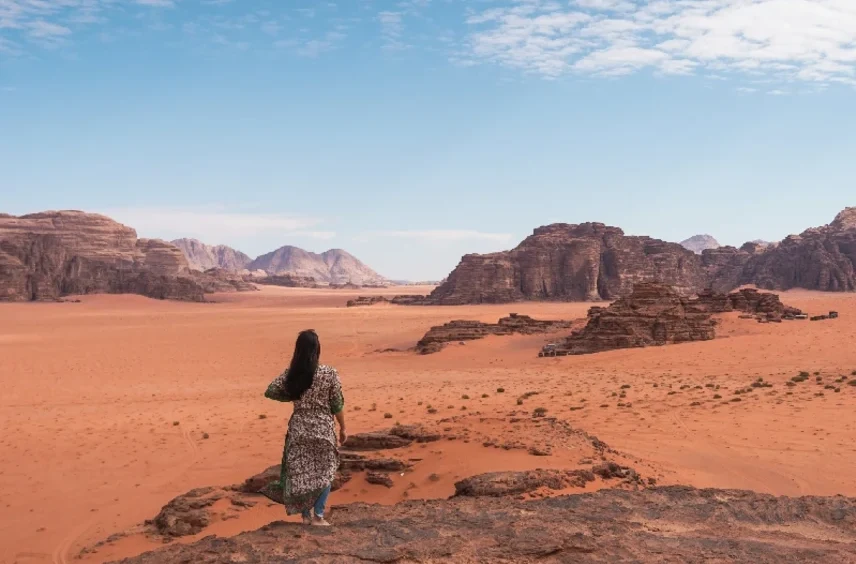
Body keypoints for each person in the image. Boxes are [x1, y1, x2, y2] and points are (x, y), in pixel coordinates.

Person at [264, 329, 346, 526]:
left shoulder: (292, 375)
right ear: (317, 349)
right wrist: (343, 427)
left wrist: (292, 394)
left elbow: (271, 390)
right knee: (326, 471)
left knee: (302, 474)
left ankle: (306, 517)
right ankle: (319, 516)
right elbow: (337, 404)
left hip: (299, 429)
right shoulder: (329, 373)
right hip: (323, 429)